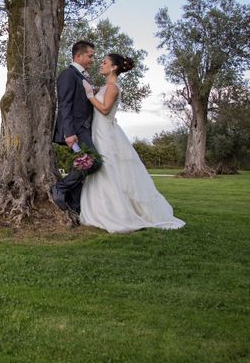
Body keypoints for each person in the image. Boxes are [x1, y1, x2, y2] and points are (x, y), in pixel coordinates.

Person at [79, 53, 185, 233]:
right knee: (104, 168)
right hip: (100, 130)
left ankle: (115, 212)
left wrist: (90, 96)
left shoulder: (113, 87)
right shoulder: (107, 86)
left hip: (106, 132)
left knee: (108, 168)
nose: (101, 65)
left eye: (105, 63)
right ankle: (103, 208)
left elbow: (104, 110)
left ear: (113, 67)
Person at [52, 40, 103, 214]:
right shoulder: (68, 74)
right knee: (93, 161)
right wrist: (69, 132)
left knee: (82, 163)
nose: (92, 59)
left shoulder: (82, 76)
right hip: (75, 130)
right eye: (90, 56)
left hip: (84, 128)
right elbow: (64, 104)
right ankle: (60, 188)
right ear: (78, 55)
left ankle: (75, 204)